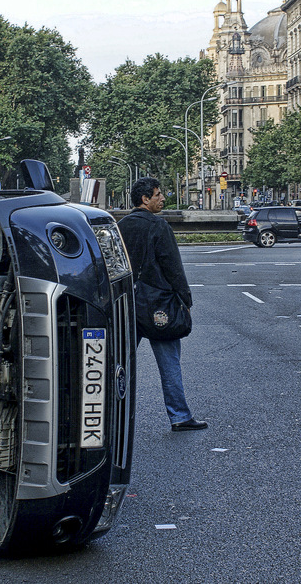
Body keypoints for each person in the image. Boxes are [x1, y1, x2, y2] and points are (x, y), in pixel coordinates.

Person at [118, 177, 207, 431]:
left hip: (127, 304)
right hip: (159, 305)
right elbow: (173, 268)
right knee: (169, 363)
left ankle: (115, 417)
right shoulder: (159, 226)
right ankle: (179, 416)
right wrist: (185, 299)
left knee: (120, 362)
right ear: (145, 199)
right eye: (158, 194)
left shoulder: (120, 226)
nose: (163, 198)